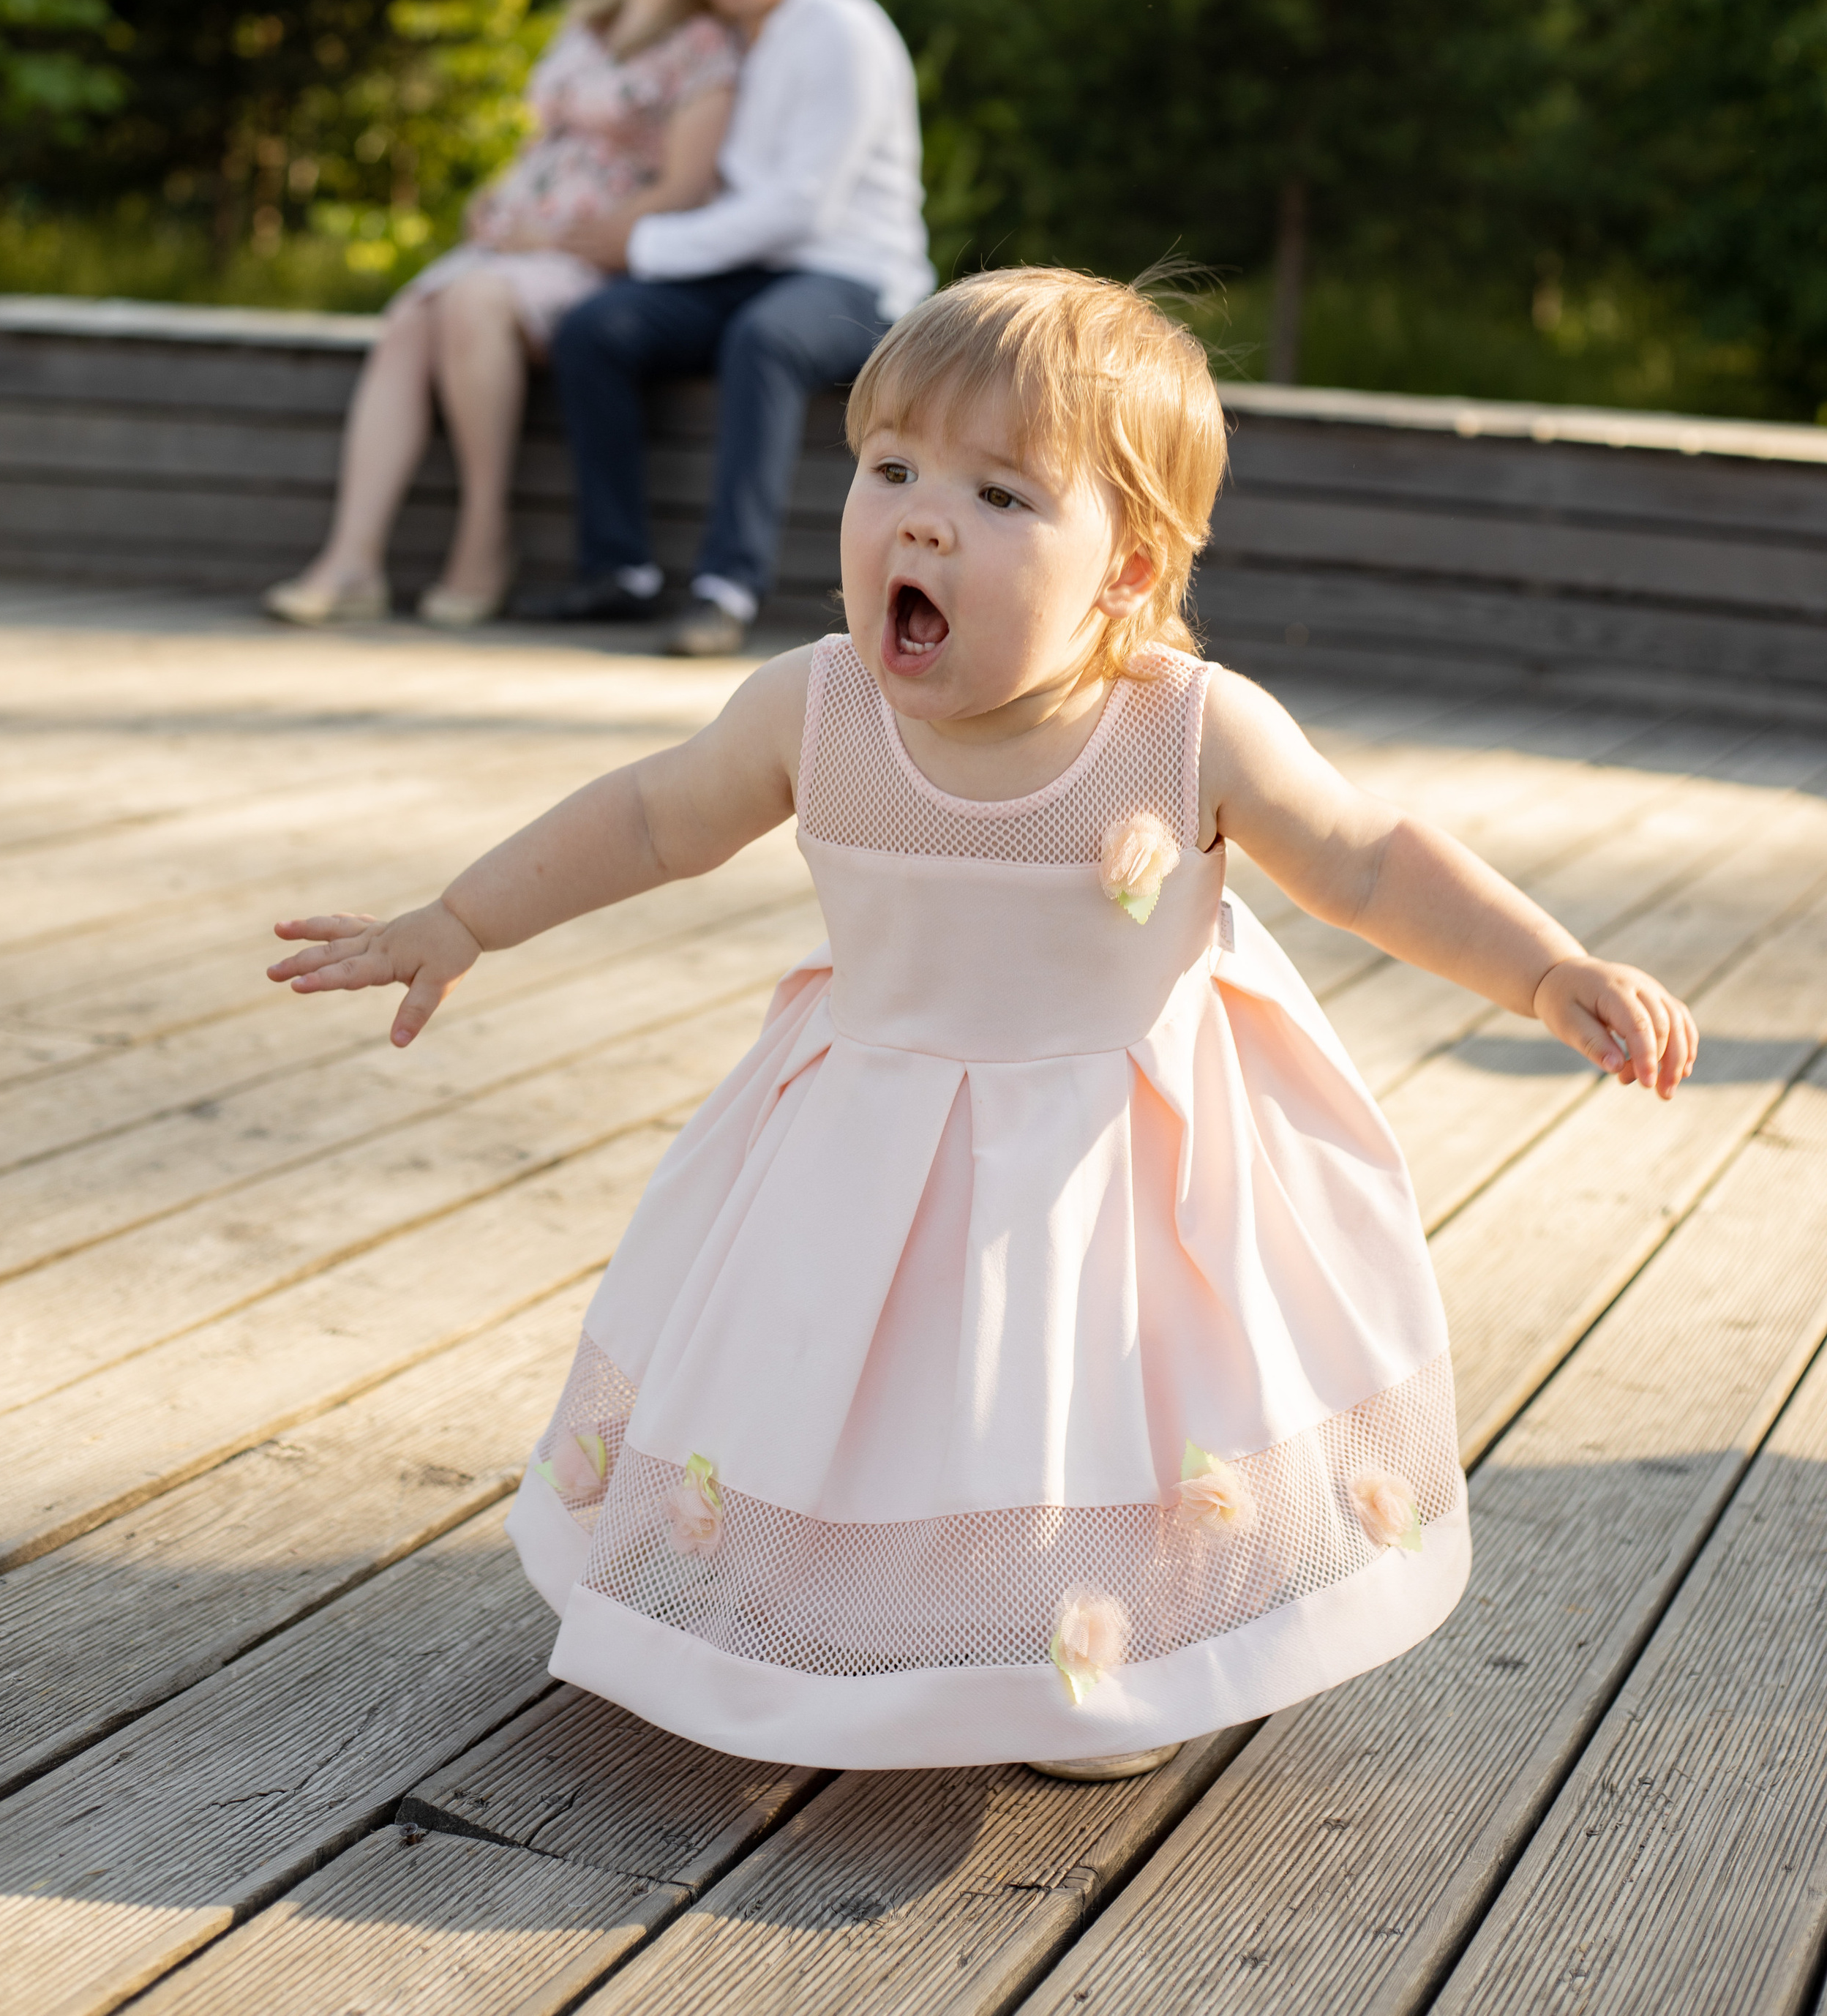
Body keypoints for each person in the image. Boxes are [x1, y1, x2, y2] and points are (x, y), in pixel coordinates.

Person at [269, 266, 1698, 1779]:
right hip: (866, 1138)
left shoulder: (1185, 728)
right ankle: (836, 1615)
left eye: (1001, 495)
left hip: (1115, 1168)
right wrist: (463, 918)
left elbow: (1363, 860)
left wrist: (1545, 973)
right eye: (888, 470)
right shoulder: (812, 711)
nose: (922, 520)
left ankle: (1097, 1643)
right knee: (856, 1387)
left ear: (1129, 571)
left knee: (1085, 1410)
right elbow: (646, 818)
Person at [263, 0, 739, 630]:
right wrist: (498, 195)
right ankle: (350, 559)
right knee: (408, 321)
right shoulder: (587, 19)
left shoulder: (704, 46)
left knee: (468, 300)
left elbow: (685, 185)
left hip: (589, 257)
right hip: (511, 243)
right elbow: (547, 144)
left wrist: (551, 233)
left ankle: (484, 537)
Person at [519, 0, 933, 656]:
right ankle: (620, 571)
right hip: (747, 272)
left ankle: (725, 590)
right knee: (596, 328)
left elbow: (799, 207)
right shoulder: (719, 41)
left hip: (854, 276)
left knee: (766, 337)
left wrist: (643, 243)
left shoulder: (844, 30)